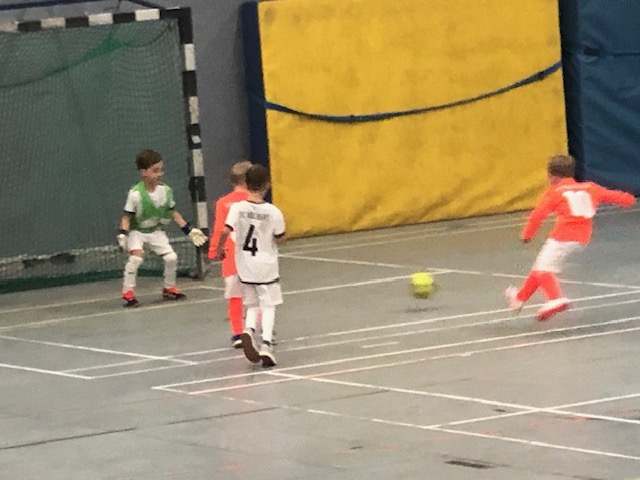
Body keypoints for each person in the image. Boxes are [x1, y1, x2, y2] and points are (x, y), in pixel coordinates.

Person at [505, 154, 635, 321]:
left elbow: (538, 215)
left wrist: (527, 234)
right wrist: (629, 200)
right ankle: (519, 299)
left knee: (544, 270)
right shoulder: (590, 187)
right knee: (539, 267)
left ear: (552, 176)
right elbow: (615, 196)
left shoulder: (555, 192)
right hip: (582, 238)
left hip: (562, 236)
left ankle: (556, 299)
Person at [213, 164, 285, 367]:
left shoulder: (237, 208)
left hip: (244, 264)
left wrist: (219, 249)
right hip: (266, 265)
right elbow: (280, 237)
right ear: (267, 184)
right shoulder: (273, 211)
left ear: (246, 183)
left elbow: (225, 230)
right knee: (268, 304)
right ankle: (266, 344)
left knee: (252, 303)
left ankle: (248, 329)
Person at [117, 149, 207, 307]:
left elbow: (173, 213)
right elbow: (126, 217)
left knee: (171, 257)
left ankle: (169, 288)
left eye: (161, 170)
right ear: (143, 172)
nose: (159, 174)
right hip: (137, 232)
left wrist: (189, 230)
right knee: (136, 258)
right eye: (155, 170)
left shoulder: (166, 191)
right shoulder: (135, 194)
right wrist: (123, 234)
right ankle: (128, 291)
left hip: (155, 231)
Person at [208, 161, 252, 348]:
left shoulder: (223, 203)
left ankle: (238, 333)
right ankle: (256, 330)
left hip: (232, 260)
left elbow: (219, 229)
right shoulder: (256, 201)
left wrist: (213, 250)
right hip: (254, 259)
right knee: (256, 297)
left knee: (235, 297)